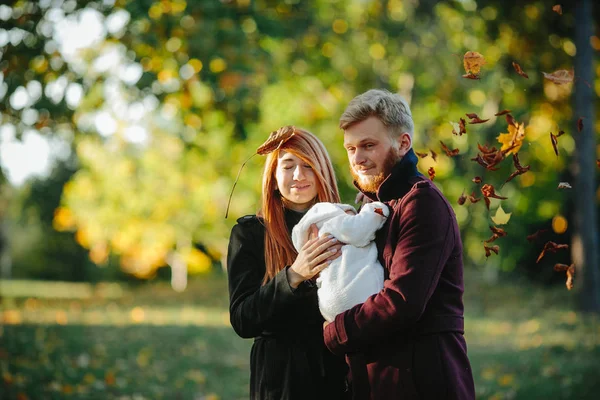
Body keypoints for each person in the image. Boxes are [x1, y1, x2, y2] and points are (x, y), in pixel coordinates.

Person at [323, 89, 476, 399]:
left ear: (403, 143)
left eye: (368, 145)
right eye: (350, 148)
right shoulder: (372, 207)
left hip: (423, 380)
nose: (357, 159)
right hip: (377, 380)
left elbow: (401, 302)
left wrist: (334, 332)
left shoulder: (421, 203)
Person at [227, 126, 350, 400]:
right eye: (288, 165)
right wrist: (294, 275)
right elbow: (242, 319)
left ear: (323, 171)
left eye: (308, 165)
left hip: (339, 373)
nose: (299, 175)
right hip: (281, 378)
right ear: (273, 177)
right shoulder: (250, 234)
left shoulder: (347, 225)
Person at [291, 201, 388, 322]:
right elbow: (361, 227)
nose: (353, 214)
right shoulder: (334, 224)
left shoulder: (318, 243)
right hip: (357, 293)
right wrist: (376, 208)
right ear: (334, 212)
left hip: (329, 307)